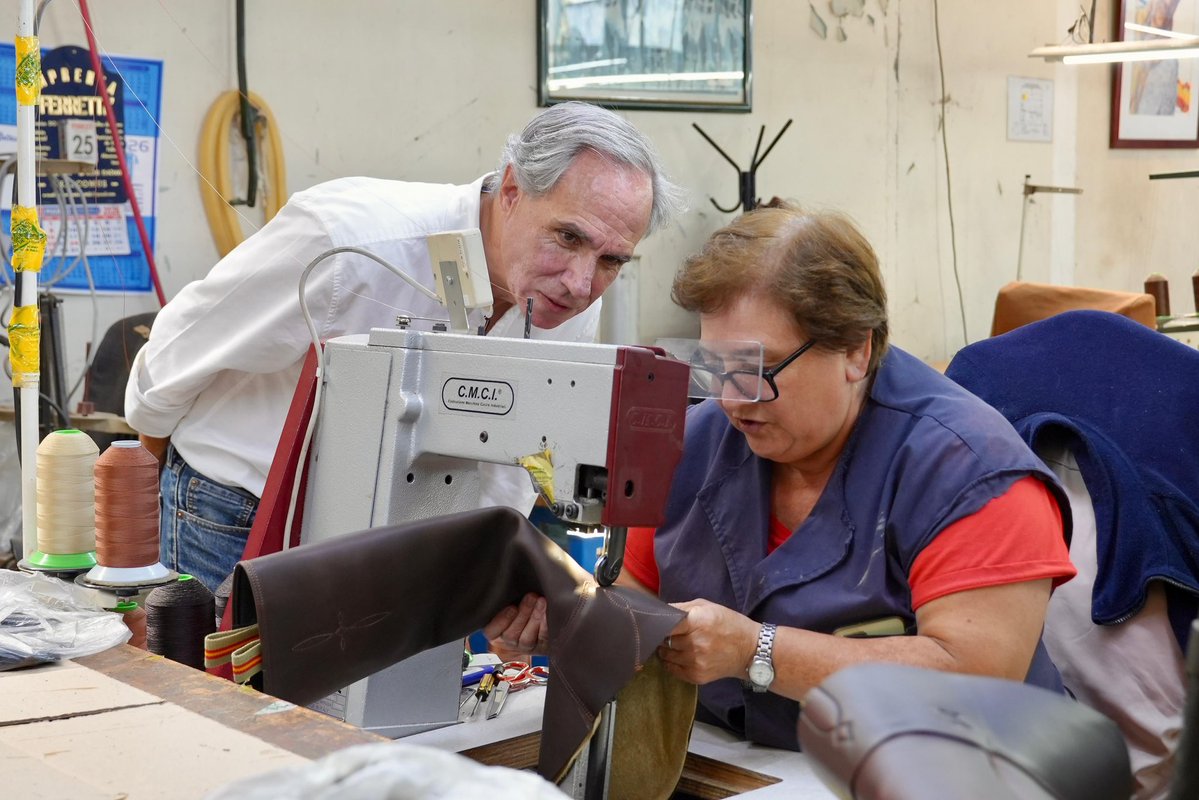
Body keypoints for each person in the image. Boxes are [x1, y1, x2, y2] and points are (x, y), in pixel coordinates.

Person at [487, 202, 1077, 750]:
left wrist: (758, 651)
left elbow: (976, 680)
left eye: (760, 369)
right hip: (755, 766)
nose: (733, 399)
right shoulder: (698, 445)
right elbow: (636, 598)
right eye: (717, 367)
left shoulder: (972, 472)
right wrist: (573, 625)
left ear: (855, 351)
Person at [125, 102, 684, 592]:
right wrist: (150, 490)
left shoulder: (566, 298)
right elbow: (172, 359)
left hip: (386, 533)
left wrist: (486, 575)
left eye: (612, 260)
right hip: (235, 510)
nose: (582, 284)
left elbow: (510, 460)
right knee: (222, 709)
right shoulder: (350, 241)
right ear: (512, 189)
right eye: (568, 237)